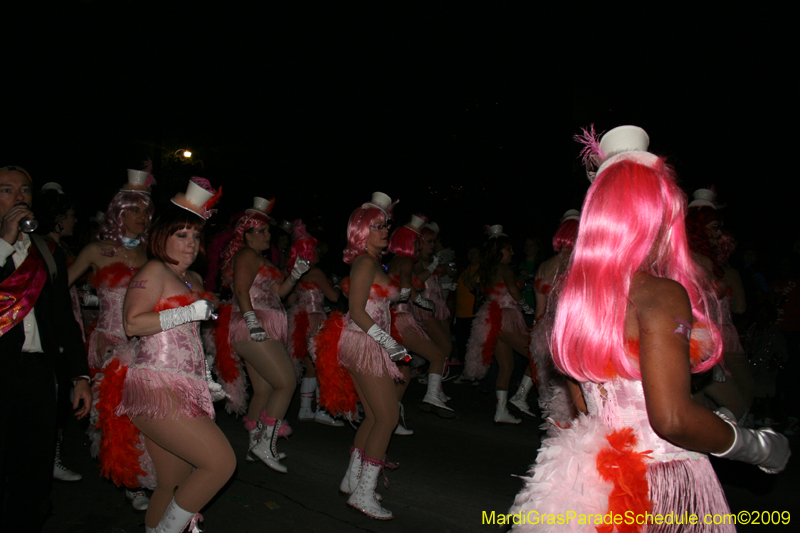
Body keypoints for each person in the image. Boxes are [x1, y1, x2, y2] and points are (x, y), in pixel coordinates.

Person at [509, 126, 790, 531]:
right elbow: (672, 419)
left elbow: (584, 403)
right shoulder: (659, 294)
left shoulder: (577, 294)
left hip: (596, 481)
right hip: (663, 481)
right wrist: (759, 447)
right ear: (655, 212)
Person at [119, 178, 235, 533]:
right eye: (182, 235)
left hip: (185, 387)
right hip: (155, 385)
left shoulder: (193, 279)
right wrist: (186, 313)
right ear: (163, 236)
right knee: (221, 464)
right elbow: (132, 324)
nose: (190, 244)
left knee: (171, 483)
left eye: (196, 236)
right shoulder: (153, 270)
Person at [0, 165, 92, 531]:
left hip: (38, 375)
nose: (18, 198)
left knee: (33, 473)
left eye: (24, 190)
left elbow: (61, 319)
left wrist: (79, 374)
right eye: (6, 190)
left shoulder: (45, 250)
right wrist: (5, 241)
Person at [313, 192, 406, 520]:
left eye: (385, 225)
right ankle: (364, 493)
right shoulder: (365, 262)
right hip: (364, 342)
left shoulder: (369, 261)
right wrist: (389, 343)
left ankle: (353, 480)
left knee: (373, 416)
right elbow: (356, 310)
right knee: (387, 418)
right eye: (378, 226)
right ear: (362, 231)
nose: (384, 231)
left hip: (362, 341)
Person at [67, 169, 156, 510]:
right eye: (134, 210)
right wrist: (85, 313)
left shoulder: (152, 254)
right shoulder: (96, 250)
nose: (141, 217)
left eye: (146, 211)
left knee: (143, 415)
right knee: (115, 419)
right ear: (119, 213)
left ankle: (146, 474)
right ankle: (130, 482)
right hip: (108, 346)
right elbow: (57, 293)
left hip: (143, 344)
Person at [221, 197, 306, 473]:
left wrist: (294, 275)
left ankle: (254, 445)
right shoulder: (245, 255)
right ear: (245, 235)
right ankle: (265, 444)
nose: (268, 235)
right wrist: (252, 322)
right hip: (253, 323)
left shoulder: (260, 259)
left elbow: (280, 294)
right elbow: (242, 291)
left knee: (264, 389)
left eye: (267, 230)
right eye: (261, 231)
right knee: (286, 383)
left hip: (262, 322)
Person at [686, 189, 754, 424]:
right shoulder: (690, 261)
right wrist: (707, 355)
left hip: (701, 347)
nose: (718, 235)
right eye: (714, 228)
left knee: (700, 413)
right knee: (736, 404)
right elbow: (697, 311)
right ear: (698, 227)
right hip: (698, 348)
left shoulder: (701, 260)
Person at [36, 182, 84, 483]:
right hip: (48, 337)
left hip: (66, 327)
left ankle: (51, 455)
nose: (74, 220)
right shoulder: (40, 248)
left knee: (61, 396)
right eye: (70, 215)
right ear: (58, 217)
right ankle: (48, 457)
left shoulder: (59, 248)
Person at [463, 224, 534, 424]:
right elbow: (514, 290)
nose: (512, 252)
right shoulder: (505, 269)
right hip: (506, 319)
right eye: (508, 249)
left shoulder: (488, 270)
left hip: (494, 319)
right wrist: (527, 308)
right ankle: (520, 397)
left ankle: (501, 410)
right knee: (536, 354)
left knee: (506, 366)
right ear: (498, 250)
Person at [517, 211, 582, 428]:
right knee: (569, 400)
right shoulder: (580, 265)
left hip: (544, 333)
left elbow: (539, 312)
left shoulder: (544, 267)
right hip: (568, 333)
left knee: (550, 397)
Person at [388, 215, 454, 419]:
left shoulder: (394, 262)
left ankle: (392, 418)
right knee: (436, 356)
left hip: (392, 318)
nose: (419, 247)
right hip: (401, 319)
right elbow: (406, 290)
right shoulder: (406, 262)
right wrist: (424, 303)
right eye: (417, 243)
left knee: (403, 373)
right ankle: (432, 396)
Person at [286, 219, 343, 426]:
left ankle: (304, 409)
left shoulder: (296, 273)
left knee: (310, 366)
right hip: (316, 318)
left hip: (301, 320)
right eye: (316, 250)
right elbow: (334, 297)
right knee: (323, 365)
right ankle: (322, 408)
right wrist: (337, 285)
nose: (319, 253)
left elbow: (291, 299)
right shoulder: (317, 273)